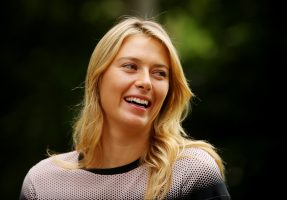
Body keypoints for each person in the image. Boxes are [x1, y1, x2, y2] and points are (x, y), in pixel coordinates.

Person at [20, 17, 231, 200]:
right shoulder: (43, 183)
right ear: (98, 78)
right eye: (130, 66)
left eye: (159, 73)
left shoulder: (193, 173)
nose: (146, 82)